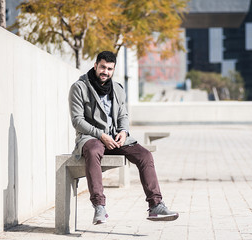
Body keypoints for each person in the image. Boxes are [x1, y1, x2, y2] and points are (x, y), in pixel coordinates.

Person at [68, 51, 178, 225]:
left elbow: (123, 115)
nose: (105, 71)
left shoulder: (118, 88)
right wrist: (101, 135)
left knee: (145, 155)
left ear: (113, 70)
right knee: (93, 149)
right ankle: (99, 206)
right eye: (102, 67)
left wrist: (124, 131)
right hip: (92, 137)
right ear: (95, 65)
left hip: (115, 138)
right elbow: (77, 120)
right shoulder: (79, 87)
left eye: (110, 69)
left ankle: (155, 205)